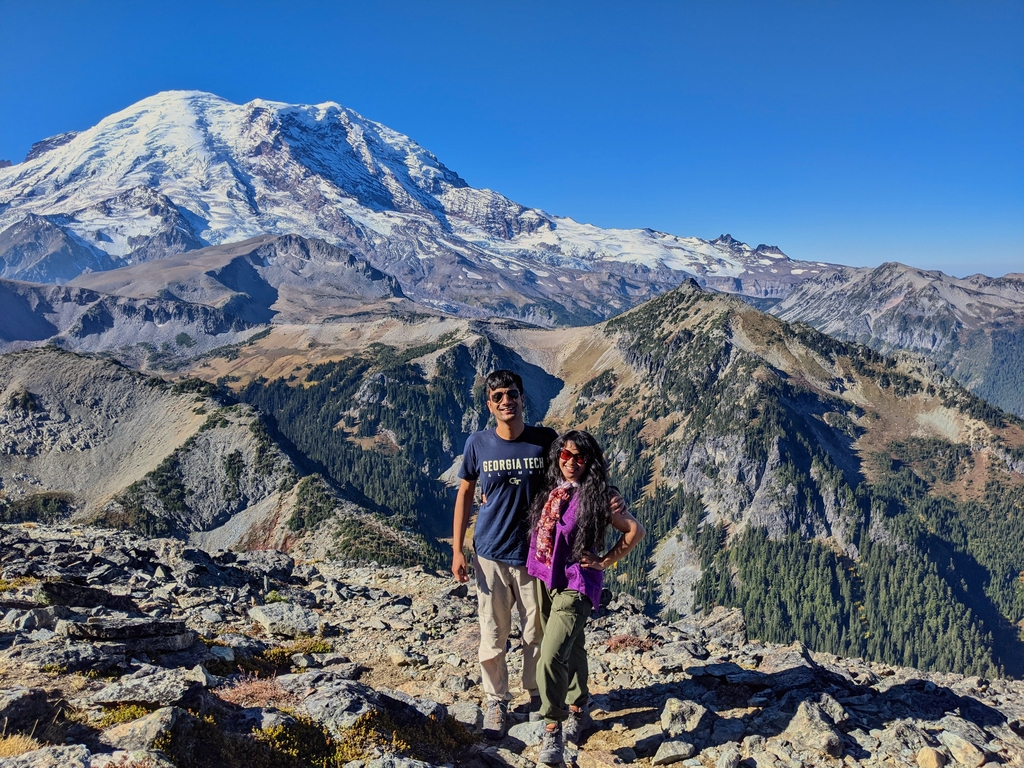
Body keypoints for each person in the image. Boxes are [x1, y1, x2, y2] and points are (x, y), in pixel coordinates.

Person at [527, 430, 645, 765]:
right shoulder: (550, 488)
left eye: (580, 457)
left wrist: (605, 560)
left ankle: (553, 731)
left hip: (577, 584)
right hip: (545, 578)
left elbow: (635, 531)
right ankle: (580, 709)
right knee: (573, 646)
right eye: (566, 455)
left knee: (549, 655)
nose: (572, 463)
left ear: (590, 461)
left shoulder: (600, 496)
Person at [452, 370, 557, 739]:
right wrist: (458, 549)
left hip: (534, 556)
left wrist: (610, 500)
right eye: (497, 396)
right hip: (490, 554)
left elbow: (571, 482)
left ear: (522, 397)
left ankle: (533, 697)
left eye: (511, 393)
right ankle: (496, 700)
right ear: (489, 404)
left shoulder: (545, 441)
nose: (505, 401)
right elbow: (465, 494)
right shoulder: (477, 443)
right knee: (493, 632)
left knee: (535, 632)